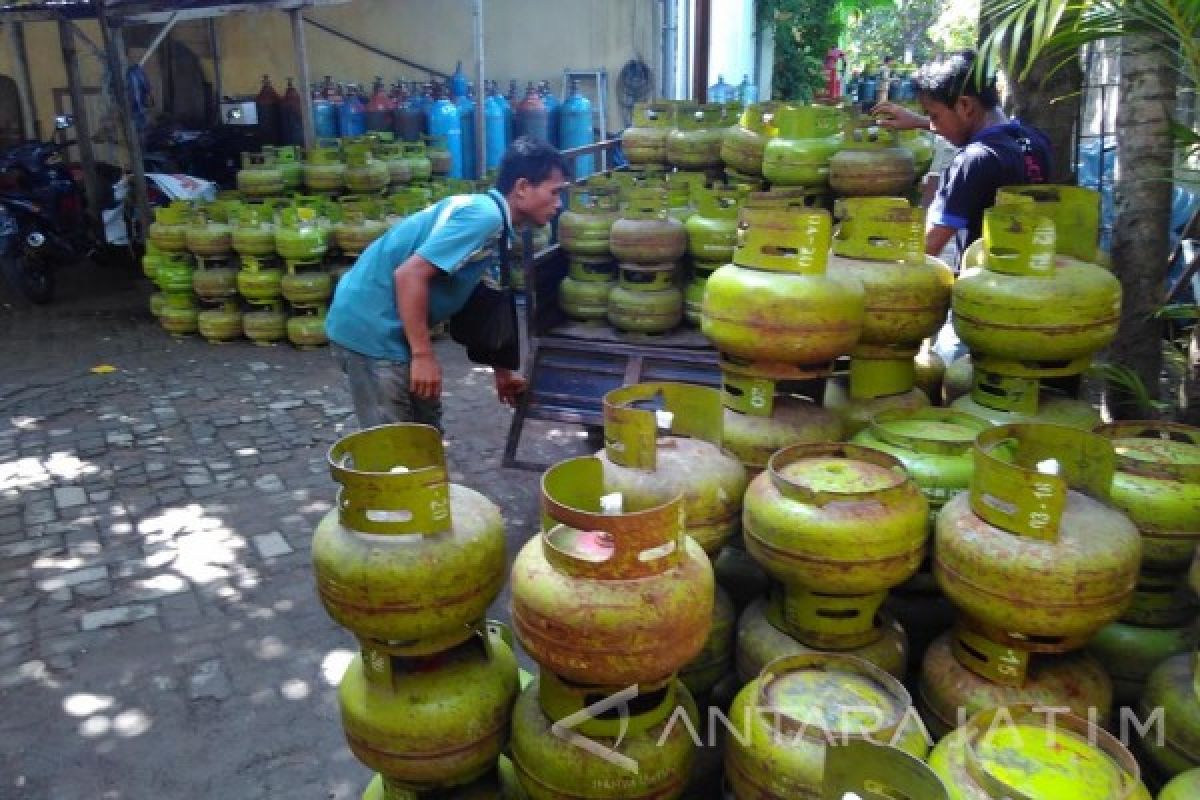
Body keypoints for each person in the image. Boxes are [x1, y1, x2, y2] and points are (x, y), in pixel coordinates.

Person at [325, 136, 567, 430]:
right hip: (371, 329)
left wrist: (501, 371)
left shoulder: (494, 222)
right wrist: (423, 354)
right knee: (392, 445)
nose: (558, 204)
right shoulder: (484, 217)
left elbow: (481, 299)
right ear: (522, 188)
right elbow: (409, 274)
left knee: (425, 430)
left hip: (391, 329)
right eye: (554, 193)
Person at [871, 50, 1051, 258]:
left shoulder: (973, 161)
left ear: (965, 105)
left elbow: (927, 246)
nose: (934, 124)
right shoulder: (1036, 140)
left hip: (986, 283)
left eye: (934, 115)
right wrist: (923, 122)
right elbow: (984, 134)